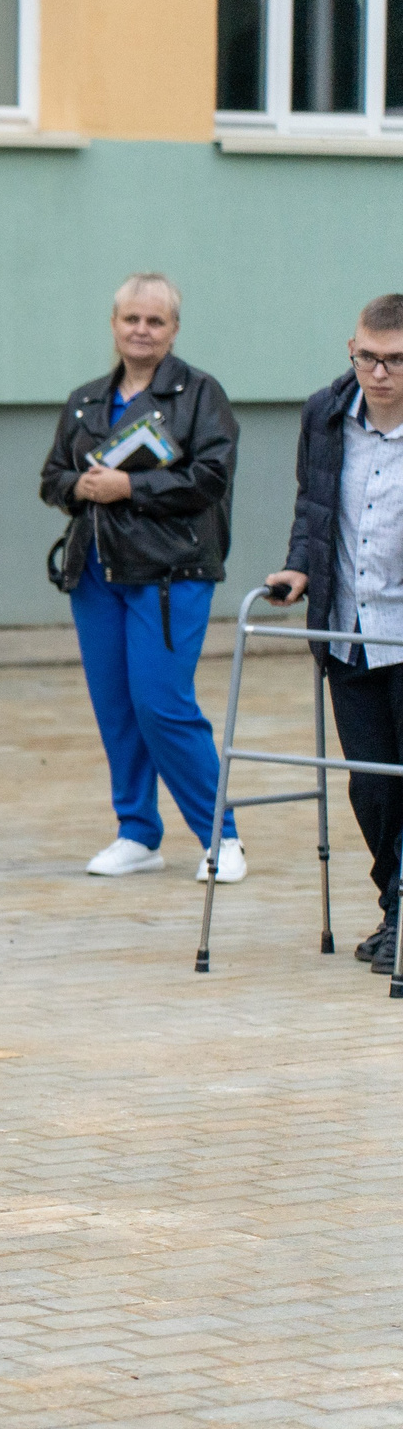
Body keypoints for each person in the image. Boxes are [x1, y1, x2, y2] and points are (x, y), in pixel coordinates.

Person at [41, 272, 244, 883]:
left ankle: (221, 836)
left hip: (169, 573)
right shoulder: (86, 400)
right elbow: (51, 477)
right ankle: (137, 832)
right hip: (97, 573)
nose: (142, 330)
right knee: (117, 707)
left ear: (174, 330)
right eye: (132, 319)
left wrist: (131, 485)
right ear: (114, 324)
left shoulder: (201, 395)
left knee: (163, 704)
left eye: (156, 321)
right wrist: (80, 484)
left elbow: (211, 477)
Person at [264, 294, 403, 974]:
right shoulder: (325, 415)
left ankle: (402, 919)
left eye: (396, 360)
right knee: (371, 785)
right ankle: (395, 906)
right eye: (367, 357)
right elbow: (313, 504)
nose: (378, 373)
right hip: (349, 630)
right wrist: (298, 566)